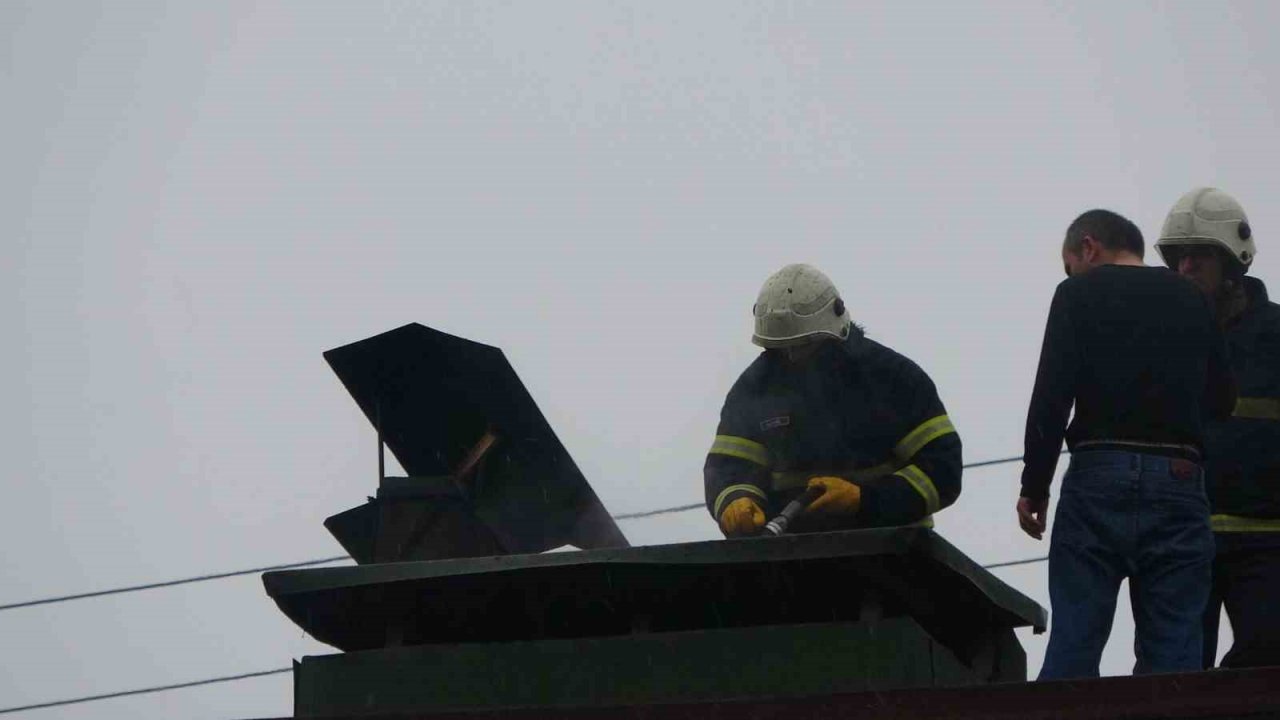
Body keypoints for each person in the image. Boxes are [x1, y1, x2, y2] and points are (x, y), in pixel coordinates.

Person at [1018, 209, 1235, 679]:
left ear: (1089, 247)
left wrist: (1034, 486)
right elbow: (1223, 398)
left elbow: (1051, 397)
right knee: (1175, 649)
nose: (1069, 273)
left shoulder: (1076, 294)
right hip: (1179, 477)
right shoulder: (1192, 297)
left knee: (1076, 638)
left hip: (1097, 474)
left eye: (1069, 262)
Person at [704, 263, 961, 538]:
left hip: (893, 556)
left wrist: (864, 500)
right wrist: (734, 500)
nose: (790, 359)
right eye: (778, 349)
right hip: (790, 561)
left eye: (803, 347)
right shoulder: (753, 389)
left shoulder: (893, 380)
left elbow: (943, 470)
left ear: (834, 334)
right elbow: (728, 467)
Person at [1154, 187, 1280, 669]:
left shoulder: (1275, 336)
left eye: (1199, 256)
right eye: (1178, 258)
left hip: (1267, 542)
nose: (1185, 268)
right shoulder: (1165, 339)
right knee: (1175, 679)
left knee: (1266, 665)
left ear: (1233, 261)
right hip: (1182, 538)